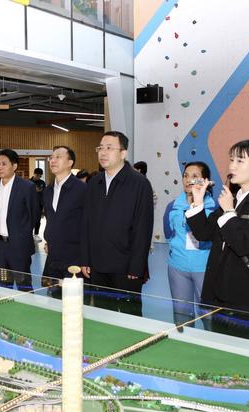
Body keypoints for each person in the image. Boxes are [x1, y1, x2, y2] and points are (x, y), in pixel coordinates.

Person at [187, 139, 249, 343]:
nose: (232, 166)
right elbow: (204, 233)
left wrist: (229, 211)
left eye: (239, 161)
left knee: (248, 350)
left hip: (244, 292)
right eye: (231, 160)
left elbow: (243, 244)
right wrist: (198, 202)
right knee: (221, 349)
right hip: (218, 288)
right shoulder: (233, 197)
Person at [80, 131, 154, 316]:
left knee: (130, 315)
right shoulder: (94, 183)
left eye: (109, 148)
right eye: (100, 148)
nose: (103, 152)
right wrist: (85, 259)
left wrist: (136, 266)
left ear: (123, 153)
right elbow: (86, 223)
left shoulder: (139, 184)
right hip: (97, 265)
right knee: (103, 314)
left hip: (126, 267)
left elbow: (143, 228)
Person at [163, 162, 215, 327]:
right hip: (178, 268)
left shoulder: (214, 208)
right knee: (182, 316)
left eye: (194, 176)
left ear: (205, 181)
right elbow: (168, 234)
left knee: (210, 317)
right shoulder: (173, 207)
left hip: (205, 269)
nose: (188, 180)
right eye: (185, 175)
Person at [0, 149, 39, 291]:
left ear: (14, 166)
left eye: (4, 164)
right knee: (3, 287)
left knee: (24, 288)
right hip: (0, 247)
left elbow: (34, 215)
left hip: (19, 247)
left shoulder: (27, 187)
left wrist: (21, 235)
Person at [42, 146, 86, 292]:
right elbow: (52, 220)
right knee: (54, 297)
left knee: (73, 298)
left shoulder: (82, 189)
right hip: (53, 256)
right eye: (51, 157)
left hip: (74, 257)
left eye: (58, 157)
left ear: (70, 163)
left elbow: (88, 225)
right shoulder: (48, 190)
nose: (53, 160)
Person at [30, 167, 46, 243]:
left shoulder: (42, 183)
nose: (38, 177)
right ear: (34, 174)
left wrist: (44, 205)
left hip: (39, 204)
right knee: (30, 220)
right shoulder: (28, 182)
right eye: (37, 175)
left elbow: (44, 193)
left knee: (38, 220)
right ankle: (29, 234)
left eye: (40, 176)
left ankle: (36, 234)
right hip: (30, 204)